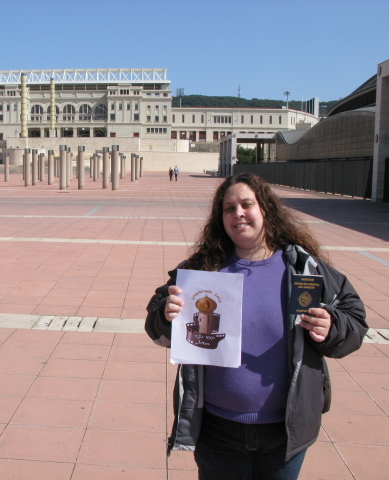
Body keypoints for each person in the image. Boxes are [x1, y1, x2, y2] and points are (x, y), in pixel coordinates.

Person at [145, 172, 367, 480]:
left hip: (285, 431)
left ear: (264, 209)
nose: (238, 214)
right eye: (228, 208)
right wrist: (166, 316)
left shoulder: (304, 268)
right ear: (220, 218)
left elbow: (354, 318)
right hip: (217, 429)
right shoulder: (202, 269)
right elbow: (155, 326)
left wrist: (333, 326)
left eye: (246, 204)